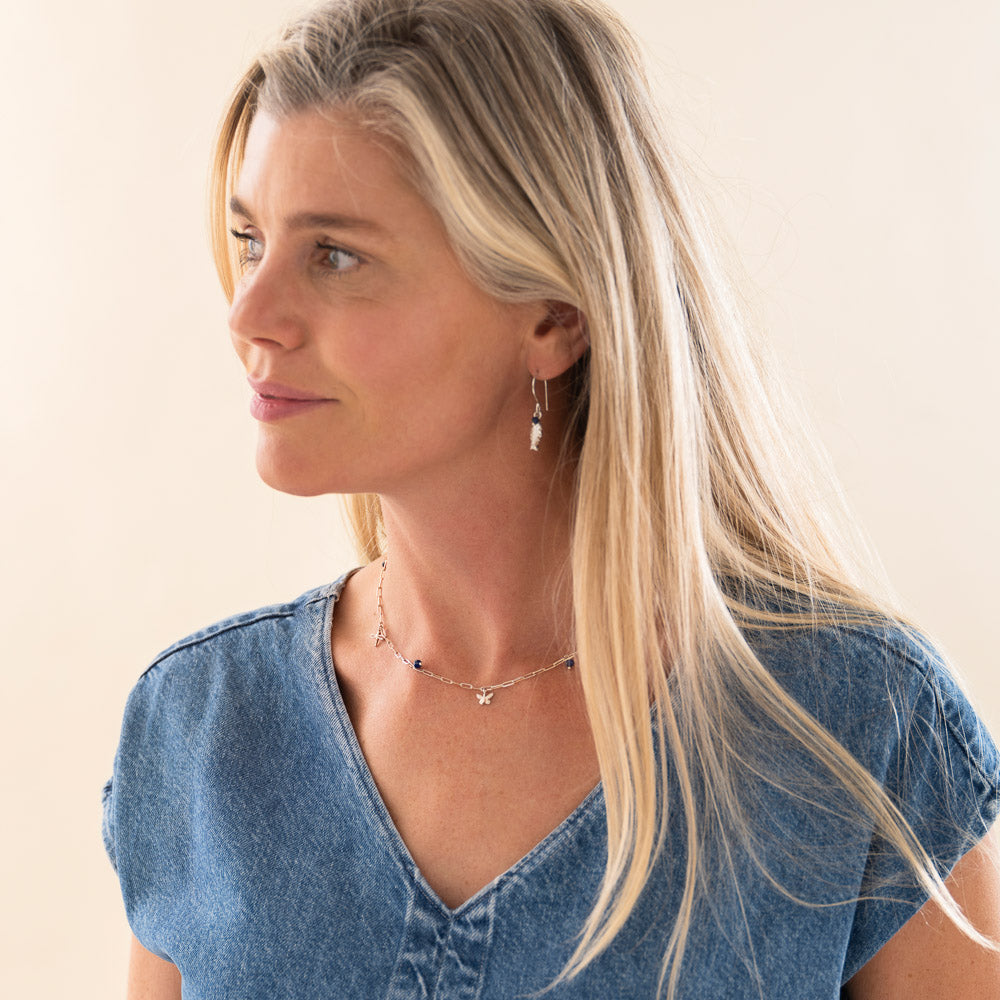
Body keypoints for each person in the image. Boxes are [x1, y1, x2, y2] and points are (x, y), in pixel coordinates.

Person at [101, 0, 1000, 997]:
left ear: (554, 317)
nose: (248, 313)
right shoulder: (198, 730)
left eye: (336, 255)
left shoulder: (857, 734)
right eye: (249, 240)